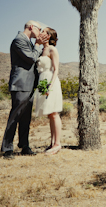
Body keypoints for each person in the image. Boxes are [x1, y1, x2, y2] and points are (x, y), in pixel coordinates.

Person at [1, 20, 48, 159]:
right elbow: (31, 57)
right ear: (31, 27)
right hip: (20, 84)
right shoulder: (18, 40)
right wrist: (38, 44)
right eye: (39, 29)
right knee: (15, 116)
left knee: (25, 117)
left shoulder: (28, 42)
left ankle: (24, 145)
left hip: (29, 84)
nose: (40, 33)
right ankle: (7, 148)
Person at [34, 27, 63, 155]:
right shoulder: (41, 50)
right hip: (42, 81)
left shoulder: (52, 49)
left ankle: (57, 144)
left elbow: (56, 69)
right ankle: (52, 143)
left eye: (44, 31)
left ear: (49, 35)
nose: (41, 32)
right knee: (50, 114)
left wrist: (50, 86)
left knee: (54, 113)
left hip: (51, 81)